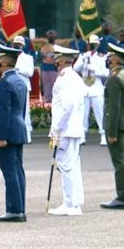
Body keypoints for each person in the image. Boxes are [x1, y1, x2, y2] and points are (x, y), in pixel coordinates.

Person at [48, 45, 86, 216]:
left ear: (62, 60)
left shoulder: (64, 78)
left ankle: (70, 204)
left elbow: (67, 106)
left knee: (66, 167)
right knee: (72, 166)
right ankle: (74, 202)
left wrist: (57, 128)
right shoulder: (75, 77)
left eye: (57, 59)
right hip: (74, 128)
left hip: (65, 129)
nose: (55, 62)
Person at [0, 43, 28, 222]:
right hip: (19, 129)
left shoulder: (5, 83)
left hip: (8, 132)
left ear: (5, 63)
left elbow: (3, 112)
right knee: (18, 170)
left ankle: (14, 210)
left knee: (10, 171)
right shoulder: (20, 80)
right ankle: (20, 208)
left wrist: (1, 136)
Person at [100, 43, 124, 210]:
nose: (107, 59)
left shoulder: (115, 78)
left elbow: (114, 107)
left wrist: (111, 132)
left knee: (119, 162)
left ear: (114, 59)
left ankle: (122, 197)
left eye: (109, 56)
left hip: (117, 125)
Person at [73, 34, 108, 145]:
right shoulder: (83, 55)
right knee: (83, 113)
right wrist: (83, 60)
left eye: (94, 44)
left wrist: (94, 69)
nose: (92, 46)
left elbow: (106, 73)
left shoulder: (102, 57)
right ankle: (82, 135)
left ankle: (103, 135)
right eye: (91, 44)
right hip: (84, 88)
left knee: (100, 113)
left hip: (96, 87)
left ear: (98, 45)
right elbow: (75, 68)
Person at [13, 36, 34, 143]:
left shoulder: (28, 58)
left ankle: (27, 135)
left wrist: (18, 68)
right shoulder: (9, 57)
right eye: (16, 44)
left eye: (19, 44)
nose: (17, 46)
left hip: (23, 86)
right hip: (11, 86)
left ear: (23, 46)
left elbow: (30, 73)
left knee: (25, 111)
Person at [39, 30, 58, 103]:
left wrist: (46, 58)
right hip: (53, 69)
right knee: (53, 87)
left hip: (47, 68)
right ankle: (51, 102)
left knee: (47, 87)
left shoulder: (43, 48)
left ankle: (47, 102)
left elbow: (41, 57)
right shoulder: (57, 48)